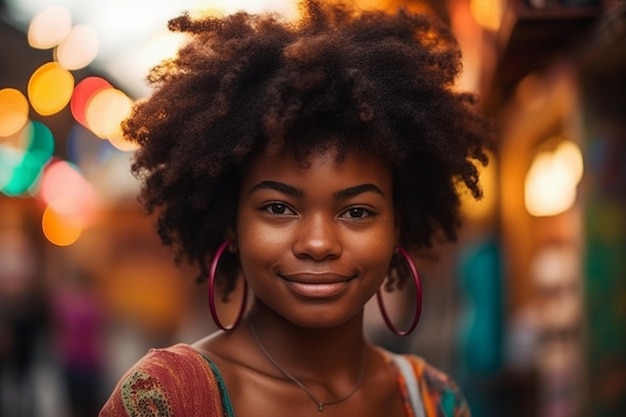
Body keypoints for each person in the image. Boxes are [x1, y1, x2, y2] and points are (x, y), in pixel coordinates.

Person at [99, 0, 491, 415]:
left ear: (398, 224)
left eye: (357, 211)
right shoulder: (166, 398)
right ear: (231, 222)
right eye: (278, 208)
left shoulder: (434, 400)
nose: (318, 243)